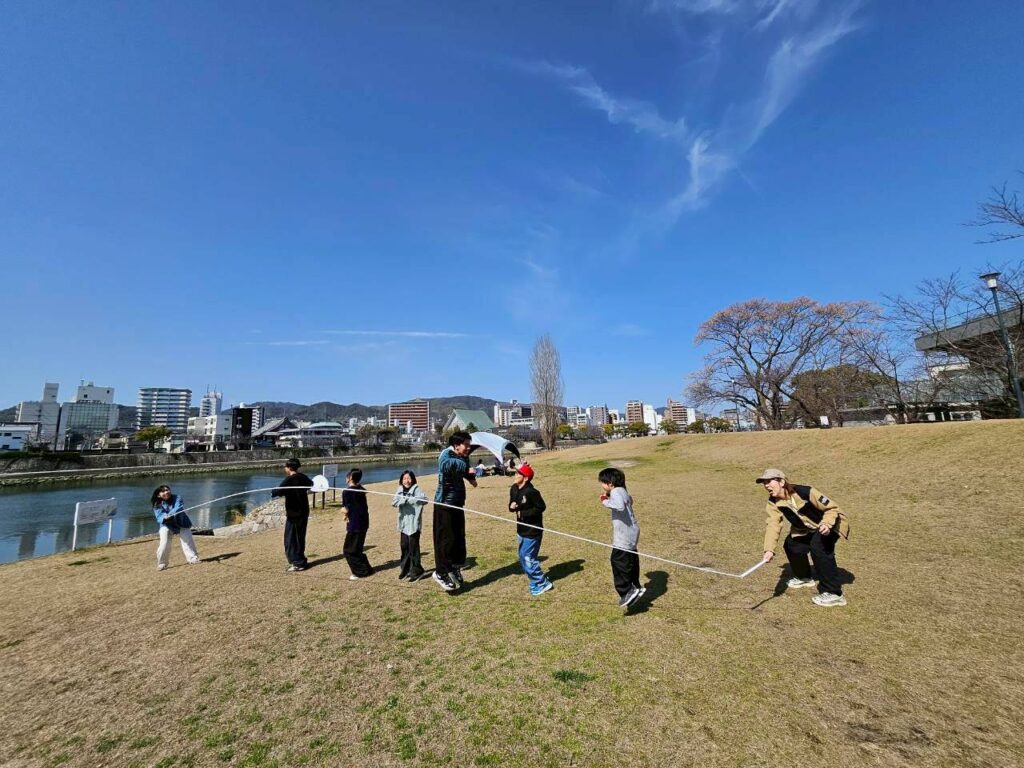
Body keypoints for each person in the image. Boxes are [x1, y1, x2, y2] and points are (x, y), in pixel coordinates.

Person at [757, 468, 851, 607]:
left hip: (832, 524)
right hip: (807, 529)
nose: (766, 486)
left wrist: (826, 524)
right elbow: (773, 524)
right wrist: (769, 550)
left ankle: (833, 593)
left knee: (818, 547)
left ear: (782, 482)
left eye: (769, 481)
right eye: (764, 483)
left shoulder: (806, 492)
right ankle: (804, 577)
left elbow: (832, 508)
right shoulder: (773, 502)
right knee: (791, 545)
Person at [432, 431, 477, 592]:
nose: (468, 448)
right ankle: (441, 572)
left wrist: (471, 478)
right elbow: (445, 465)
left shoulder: (463, 456)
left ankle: (455, 567)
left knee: (458, 538)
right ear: (456, 445)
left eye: (469, 444)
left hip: (458, 503)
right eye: (466, 445)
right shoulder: (446, 453)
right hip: (444, 504)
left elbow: (465, 472)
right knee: (445, 540)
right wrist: (466, 466)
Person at [598, 468, 644, 608]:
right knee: (630, 560)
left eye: (602, 483)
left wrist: (605, 501)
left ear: (610, 483)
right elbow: (630, 500)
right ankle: (636, 586)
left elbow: (619, 506)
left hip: (623, 536)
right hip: (632, 532)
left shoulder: (616, 492)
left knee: (618, 561)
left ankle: (627, 591)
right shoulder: (623, 490)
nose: (601, 485)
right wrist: (609, 496)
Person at [509, 463, 552, 596]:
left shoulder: (532, 492)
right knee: (523, 557)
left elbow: (541, 507)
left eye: (518, 473)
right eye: (516, 472)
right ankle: (536, 580)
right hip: (521, 529)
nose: (515, 475)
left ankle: (542, 582)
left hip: (532, 531)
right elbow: (512, 504)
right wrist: (511, 506)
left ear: (526, 478)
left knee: (528, 558)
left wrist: (524, 513)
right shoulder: (514, 488)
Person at [271, 458, 313, 572]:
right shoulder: (303, 477)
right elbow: (311, 484)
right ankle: (300, 560)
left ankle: (298, 563)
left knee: (291, 540)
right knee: (300, 538)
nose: (285, 469)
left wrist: (273, 491)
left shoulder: (289, 479)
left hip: (294, 514)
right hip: (303, 512)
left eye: (285, 467)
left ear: (289, 468)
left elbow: (279, 491)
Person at [151, 485, 200, 570]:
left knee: (187, 541)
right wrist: (164, 517)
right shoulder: (157, 504)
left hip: (182, 522)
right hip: (166, 525)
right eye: (163, 491)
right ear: (158, 495)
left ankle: (193, 559)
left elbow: (178, 507)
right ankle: (162, 563)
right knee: (164, 544)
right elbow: (159, 517)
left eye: (167, 490)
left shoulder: (177, 498)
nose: (166, 492)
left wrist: (170, 514)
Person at [391, 470, 428, 582]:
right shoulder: (399, 490)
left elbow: (425, 500)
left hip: (413, 524)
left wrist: (412, 500)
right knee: (404, 546)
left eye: (408, 478)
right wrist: (402, 501)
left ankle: (417, 571)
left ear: (413, 479)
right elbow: (394, 502)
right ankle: (405, 569)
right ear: (401, 480)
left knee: (413, 548)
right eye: (404, 479)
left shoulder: (416, 489)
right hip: (403, 524)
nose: (406, 481)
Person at [341, 468, 373, 580]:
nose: (345, 478)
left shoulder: (347, 492)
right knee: (357, 548)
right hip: (363, 522)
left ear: (350, 478)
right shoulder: (360, 489)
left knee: (349, 550)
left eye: (347, 476)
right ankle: (366, 569)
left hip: (355, 524)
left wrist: (343, 511)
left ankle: (361, 572)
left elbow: (346, 508)